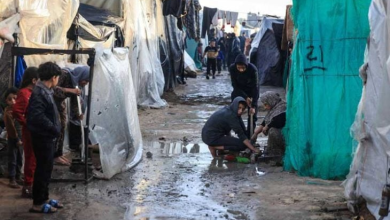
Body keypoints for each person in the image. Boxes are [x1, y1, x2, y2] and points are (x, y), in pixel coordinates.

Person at [27, 62, 63, 213]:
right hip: (42, 137)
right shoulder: (40, 92)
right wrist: (53, 127)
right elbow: (37, 116)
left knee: (47, 168)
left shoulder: (46, 90)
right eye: (57, 78)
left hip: (47, 136)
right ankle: (38, 203)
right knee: (42, 169)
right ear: (54, 77)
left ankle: (45, 198)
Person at [53, 66, 89, 165]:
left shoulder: (76, 83)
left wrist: (78, 114)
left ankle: (58, 154)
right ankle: (53, 155)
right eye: (86, 80)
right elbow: (53, 89)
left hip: (60, 103)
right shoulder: (64, 74)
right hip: (51, 104)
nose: (86, 83)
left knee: (62, 127)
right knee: (55, 128)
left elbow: (75, 101)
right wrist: (70, 90)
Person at [13, 67, 39, 197]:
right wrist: (27, 123)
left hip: (34, 130)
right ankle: (28, 186)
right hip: (29, 131)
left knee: (34, 157)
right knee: (31, 158)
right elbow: (17, 111)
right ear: (34, 80)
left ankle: (31, 183)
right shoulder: (24, 93)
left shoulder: (31, 92)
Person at [229, 54, 259, 137]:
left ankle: (250, 136)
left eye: (243, 68)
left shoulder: (253, 69)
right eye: (239, 68)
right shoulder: (232, 68)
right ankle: (241, 134)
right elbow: (235, 86)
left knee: (252, 115)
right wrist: (245, 97)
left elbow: (255, 87)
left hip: (251, 91)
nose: (241, 70)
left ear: (246, 65)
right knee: (235, 113)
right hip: (238, 91)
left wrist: (253, 105)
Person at [251, 91, 286, 157]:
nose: (265, 107)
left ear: (271, 100)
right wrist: (255, 134)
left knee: (272, 131)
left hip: (285, 137)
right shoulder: (274, 108)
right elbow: (265, 121)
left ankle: (279, 152)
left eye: (266, 104)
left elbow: (278, 122)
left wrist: (268, 126)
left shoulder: (282, 108)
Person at [3, 87, 23, 189]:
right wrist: (17, 139)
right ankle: (12, 179)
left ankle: (18, 176)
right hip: (13, 138)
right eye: (10, 99)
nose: (13, 101)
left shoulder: (18, 110)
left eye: (15, 98)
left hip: (20, 137)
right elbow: (11, 128)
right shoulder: (8, 112)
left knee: (19, 157)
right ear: (6, 101)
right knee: (13, 158)